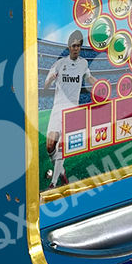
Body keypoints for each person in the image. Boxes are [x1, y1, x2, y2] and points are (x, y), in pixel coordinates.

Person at [42, 30, 94, 188]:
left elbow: (89, 77)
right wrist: (51, 79)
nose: (76, 48)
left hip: (72, 109)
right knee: (50, 146)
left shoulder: (84, 64)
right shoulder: (59, 64)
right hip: (57, 108)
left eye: (78, 46)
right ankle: (61, 171)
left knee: (61, 146)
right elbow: (45, 86)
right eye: (73, 46)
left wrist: (99, 84)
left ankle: (53, 183)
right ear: (69, 46)